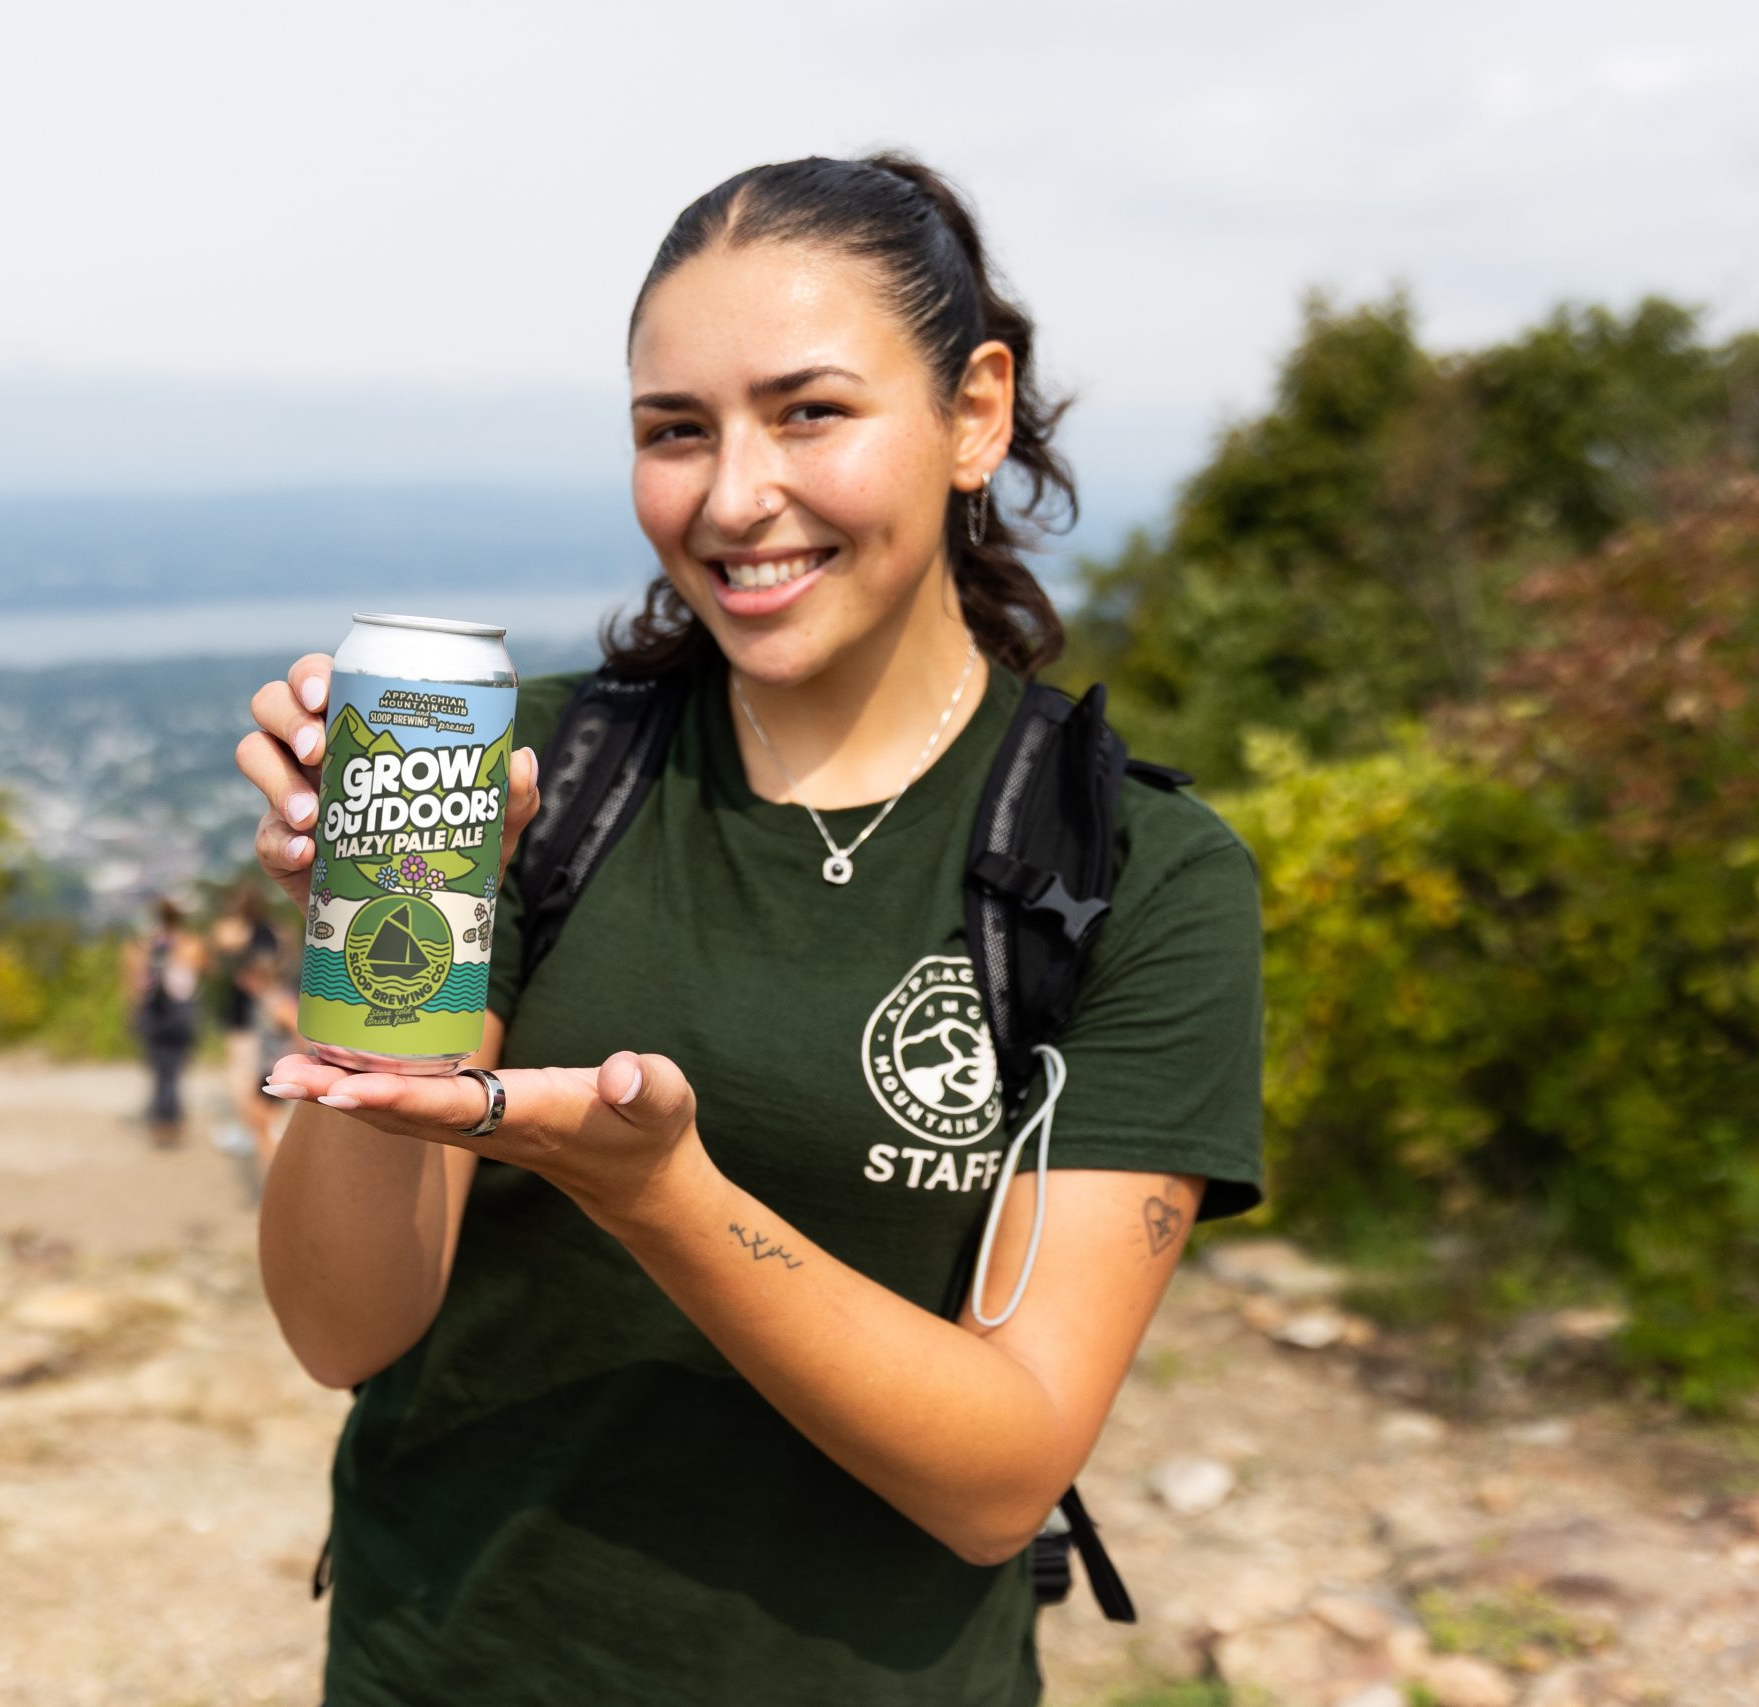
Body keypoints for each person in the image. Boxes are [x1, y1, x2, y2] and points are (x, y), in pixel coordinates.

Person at [232, 154, 1265, 1705]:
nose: (730, 497)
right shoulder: (538, 779)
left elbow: (1002, 1468)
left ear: (974, 411)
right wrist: (367, 970)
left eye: (810, 411)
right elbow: (341, 1323)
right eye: (674, 431)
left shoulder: (1129, 866)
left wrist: (660, 1195)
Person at [211, 886, 300, 1177]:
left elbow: (298, 1033)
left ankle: (274, 1179)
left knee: (261, 1119)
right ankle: (272, 1175)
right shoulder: (271, 936)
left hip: (268, 1056)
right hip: (268, 1051)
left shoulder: (273, 999)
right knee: (262, 1120)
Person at [121, 897, 205, 1147]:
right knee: (173, 1070)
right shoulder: (190, 943)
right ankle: (170, 1120)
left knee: (160, 1069)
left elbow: (132, 978)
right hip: (181, 1013)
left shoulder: (143, 946)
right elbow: (200, 969)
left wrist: (132, 1010)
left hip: (154, 1012)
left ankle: (162, 1119)